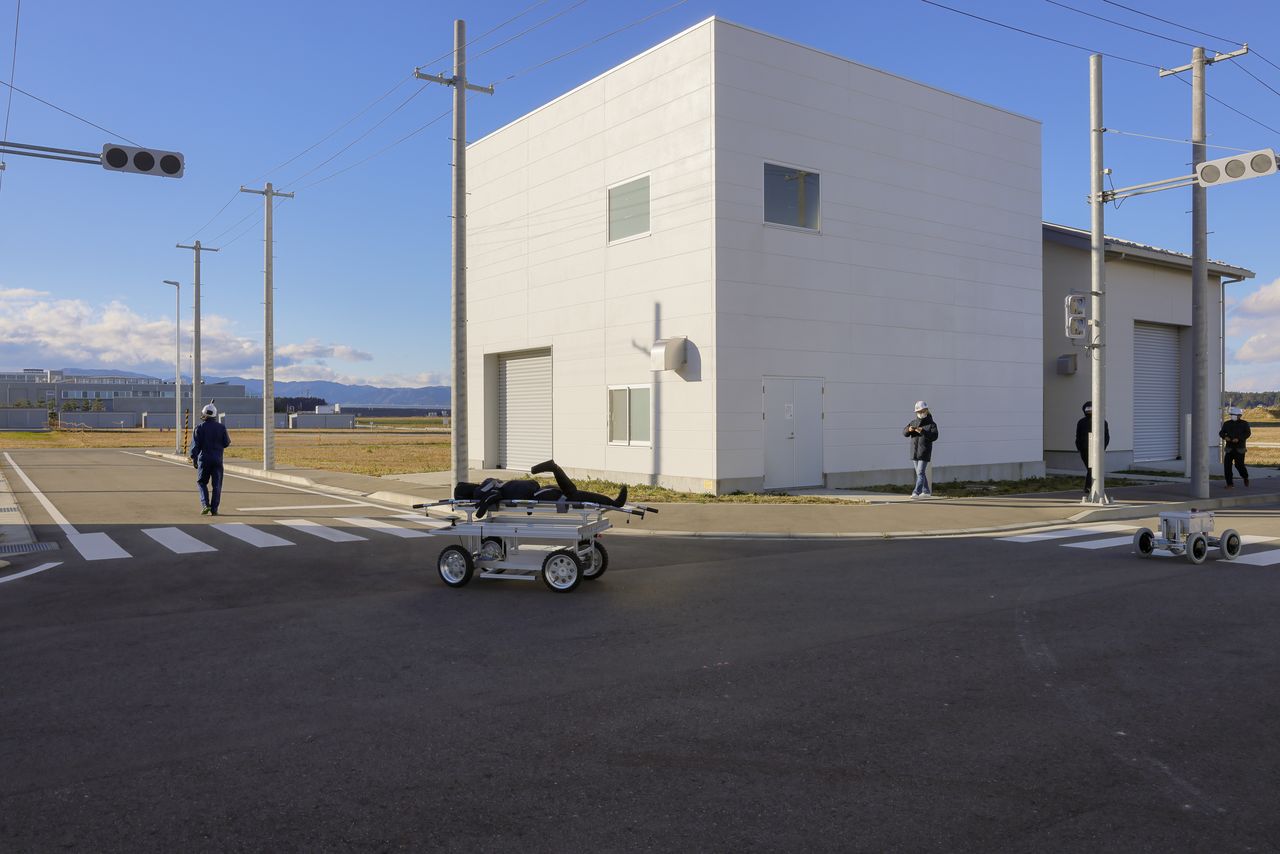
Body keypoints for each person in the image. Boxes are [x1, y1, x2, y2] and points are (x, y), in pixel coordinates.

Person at [189, 403, 231, 515]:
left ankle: (205, 504)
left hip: (204, 460)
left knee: (202, 482)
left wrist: (194, 458)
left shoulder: (199, 428)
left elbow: (195, 446)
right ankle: (214, 509)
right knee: (217, 485)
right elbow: (226, 443)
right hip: (217, 460)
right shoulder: (221, 427)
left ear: (204, 414)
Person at [903, 401, 939, 498]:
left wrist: (923, 431)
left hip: (924, 452)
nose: (921, 413)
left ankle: (916, 492)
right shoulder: (913, 422)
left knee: (920, 472)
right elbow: (904, 433)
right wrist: (908, 430)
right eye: (919, 411)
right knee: (920, 473)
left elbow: (934, 436)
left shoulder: (932, 424)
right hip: (914, 452)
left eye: (923, 411)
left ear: (926, 410)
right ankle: (926, 491)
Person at [1074, 400, 1110, 496]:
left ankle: (1089, 487)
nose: (1089, 411)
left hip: (1090, 449)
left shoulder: (1099, 422)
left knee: (1091, 468)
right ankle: (1089, 487)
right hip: (1088, 449)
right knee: (1092, 468)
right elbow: (1106, 437)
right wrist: (1102, 448)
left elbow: (1106, 436)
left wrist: (1102, 448)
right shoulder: (1100, 421)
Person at [1219, 406, 1251, 488]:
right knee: (1227, 466)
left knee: (1239, 465)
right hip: (1229, 448)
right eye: (1232, 415)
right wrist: (1225, 437)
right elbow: (1221, 433)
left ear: (1240, 415)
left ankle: (1245, 477)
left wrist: (1239, 439)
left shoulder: (1244, 423)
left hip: (1240, 449)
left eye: (1235, 415)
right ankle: (1229, 484)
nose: (1233, 416)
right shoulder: (1227, 423)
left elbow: (1247, 433)